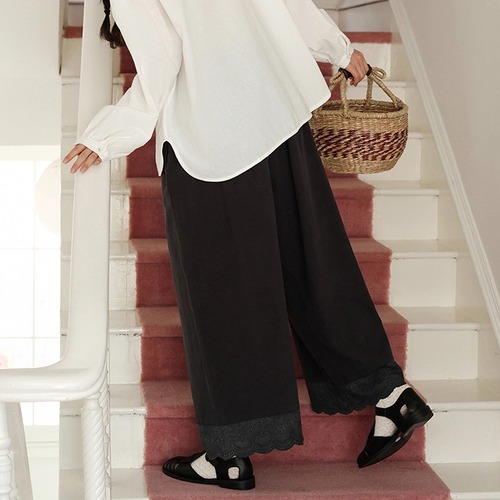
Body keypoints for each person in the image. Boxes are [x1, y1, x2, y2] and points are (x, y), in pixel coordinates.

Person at [64, 0, 433, 491]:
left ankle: (230, 453)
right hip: (274, 110)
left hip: (209, 139)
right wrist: (340, 50)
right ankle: (392, 395)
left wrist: (108, 134)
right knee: (312, 263)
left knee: (225, 294)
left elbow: (161, 61)